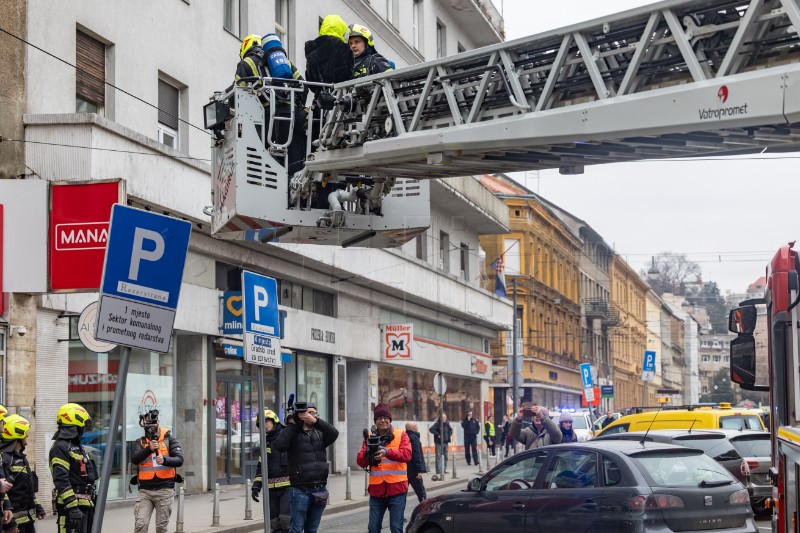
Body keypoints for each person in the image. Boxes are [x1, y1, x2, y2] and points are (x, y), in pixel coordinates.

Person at [273, 402, 338, 533]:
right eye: (307, 413)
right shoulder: (293, 433)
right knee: (296, 529)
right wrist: (292, 424)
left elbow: (334, 433)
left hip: (320, 488)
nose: (310, 416)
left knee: (312, 529)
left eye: (314, 413)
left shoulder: (320, 434)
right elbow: (279, 445)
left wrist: (316, 421)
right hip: (300, 490)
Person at [356, 404, 411, 533]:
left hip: (397, 490)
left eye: (385, 417)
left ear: (390, 420)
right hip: (377, 491)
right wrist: (367, 453)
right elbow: (360, 462)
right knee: (373, 528)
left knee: (396, 528)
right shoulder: (369, 437)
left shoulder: (401, 434)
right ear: (375, 421)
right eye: (379, 418)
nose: (383, 420)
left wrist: (387, 452)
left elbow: (407, 455)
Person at [130, 409, 184, 533]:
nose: (150, 427)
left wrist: (165, 460)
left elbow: (180, 459)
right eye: (148, 424)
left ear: (158, 422)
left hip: (164, 490)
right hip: (145, 491)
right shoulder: (141, 442)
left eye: (153, 424)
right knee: (140, 525)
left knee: (161, 528)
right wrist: (149, 449)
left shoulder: (169, 439)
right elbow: (134, 459)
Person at [49, 403, 97, 533]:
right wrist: (72, 507)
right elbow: (61, 479)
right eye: (83, 423)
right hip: (71, 508)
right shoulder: (60, 447)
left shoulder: (77, 446)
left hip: (86, 505)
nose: (84, 427)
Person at [1, 414, 44, 533]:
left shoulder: (22, 458)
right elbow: (3, 493)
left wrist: (38, 506)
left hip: (28, 521)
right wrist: (11, 523)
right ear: (18, 434)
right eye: (25, 432)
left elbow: (28, 487)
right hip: (13, 524)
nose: (27, 435)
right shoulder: (5, 459)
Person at [251, 408, 291, 533]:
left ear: (274, 421)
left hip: (287, 487)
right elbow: (261, 466)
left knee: (286, 522)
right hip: (271, 490)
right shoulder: (265, 443)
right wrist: (256, 486)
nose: (264, 426)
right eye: (261, 424)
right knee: (273, 524)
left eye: (266, 422)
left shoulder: (287, 436)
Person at [304, 15, 353, 106]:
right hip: (337, 103)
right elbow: (347, 76)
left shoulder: (311, 49)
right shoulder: (343, 48)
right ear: (341, 29)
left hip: (320, 102)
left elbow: (310, 82)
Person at [404, 422, 427, 502]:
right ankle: (425, 511)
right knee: (422, 494)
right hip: (414, 471)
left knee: (402, 495)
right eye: (416, 426)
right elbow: (416, 455)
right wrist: (419, 470)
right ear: (412, 429)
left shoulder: (405, 437)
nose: (418, 427)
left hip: (405, 470)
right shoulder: (414, 438)